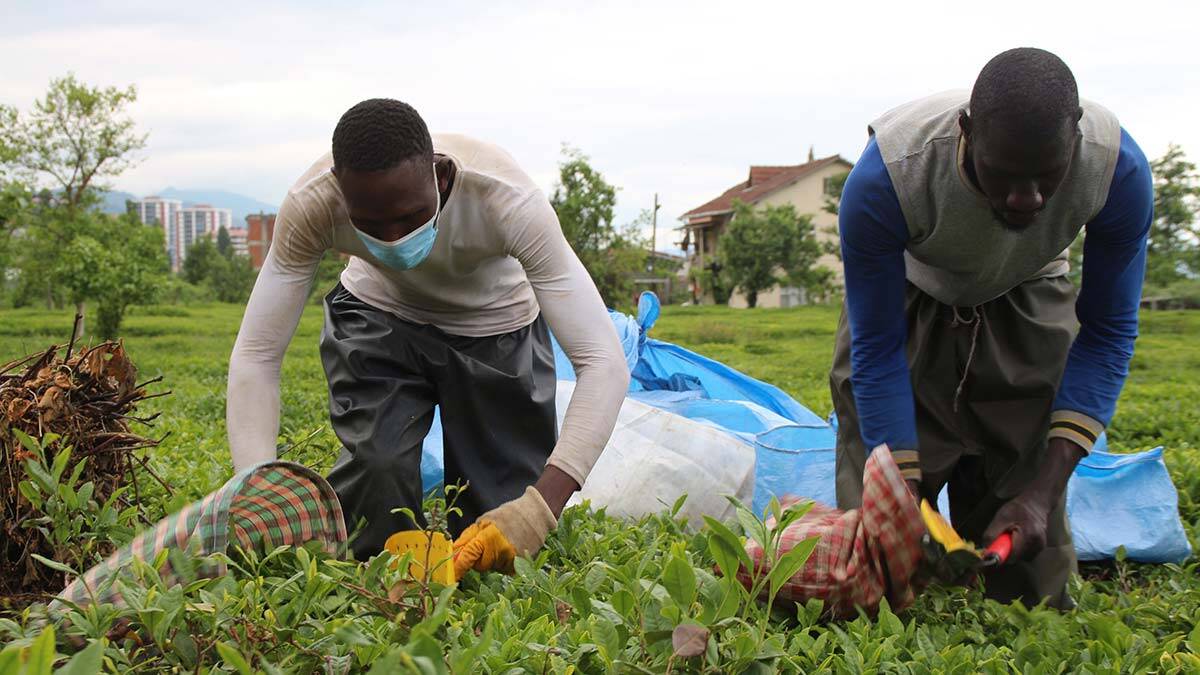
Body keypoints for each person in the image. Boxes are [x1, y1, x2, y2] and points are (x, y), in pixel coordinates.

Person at [225, 98, 629, 572]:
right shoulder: (313, 204)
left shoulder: (507, 200)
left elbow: (603, 361)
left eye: (410, 216)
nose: (394, 239)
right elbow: (257, 354)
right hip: (379, 313)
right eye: (372, 225)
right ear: (340, 189)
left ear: (439, 177)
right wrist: (256, 487)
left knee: (498, 533)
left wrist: (540, 508)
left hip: (496, 325)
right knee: (376, 479)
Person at [831, 48, 1152, 609]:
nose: (1026, 198)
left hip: (1029, 289)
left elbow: (1108, 333)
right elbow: (878, 349)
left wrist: (1042, 491)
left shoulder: (1116, 170)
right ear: (966, 132)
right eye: (1003, 174)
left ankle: (1015, 562)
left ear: (1074, 136)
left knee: (1032, 585)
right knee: (879, 559)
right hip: (911, 290)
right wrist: (901, 491)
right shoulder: (891, 175)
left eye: (1046, 174)